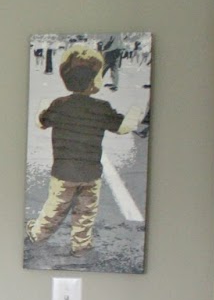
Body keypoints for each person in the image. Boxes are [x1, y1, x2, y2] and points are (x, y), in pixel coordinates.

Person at [27, 43, 146, 254]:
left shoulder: (59, 104)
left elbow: (41, 123)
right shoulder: (101, 108)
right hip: (91, 172)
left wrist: (43, 107)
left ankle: (38, 235)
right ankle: (81, 245)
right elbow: (122, 127)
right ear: (95, 80)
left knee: (55, 208)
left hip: (63, 171)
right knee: (85, 212)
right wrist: (136, 110)